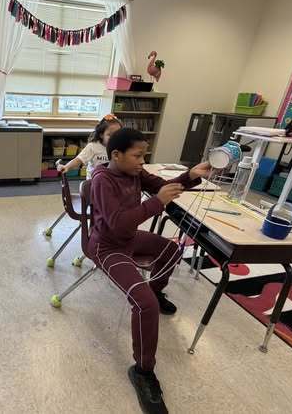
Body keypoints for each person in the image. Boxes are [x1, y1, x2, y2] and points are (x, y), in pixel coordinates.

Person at [88, 128, 211, 413]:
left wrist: (192, 175)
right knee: (145, 305)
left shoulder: (134, 172)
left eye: (144, 155)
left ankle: (155, 291)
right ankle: (143, 371)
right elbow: (119, 224)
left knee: (172, 249)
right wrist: (157, 203)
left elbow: (163, 186)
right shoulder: (102, 179)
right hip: (107, 247)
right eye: (138, 155)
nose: (143, 161)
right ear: (116, 155)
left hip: (128, 240)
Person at [58, 114, 122, 179]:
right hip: (94, 181)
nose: (115, 138)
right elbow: (79, 160)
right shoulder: (93, 146)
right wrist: (67, 167)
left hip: (111, 179)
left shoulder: (120, 147)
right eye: (110, 135)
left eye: (119, 135)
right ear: (101, 135)